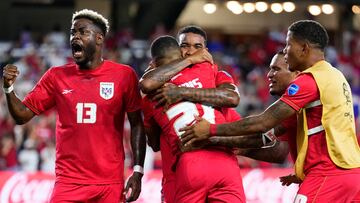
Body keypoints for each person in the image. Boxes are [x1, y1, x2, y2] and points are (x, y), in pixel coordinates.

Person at [180, 20, 360, 202]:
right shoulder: (335, 76)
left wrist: (210, 130)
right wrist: (217, 142)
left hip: (328, 175)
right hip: (351, 173)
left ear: (304, 49)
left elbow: (263, 122)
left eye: (289, 45)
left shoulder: (309, 81)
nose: (286, 50)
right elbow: (269, 136)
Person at [2, 9, 146, 203]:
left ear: (99, 38)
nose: (75, 36)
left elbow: (137, 124)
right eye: (72, 32)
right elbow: (21, 116)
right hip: (68, 183)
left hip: (109, 183)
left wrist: (138, 171)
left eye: (82, 32)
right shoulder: (56, 76)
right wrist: (9, 88)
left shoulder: (124, 75)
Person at [141, 35, 245, 203]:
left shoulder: (148, 98)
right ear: (181, 54)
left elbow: (153, 144)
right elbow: (231, 98)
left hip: (189, 162)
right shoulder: (205, 69)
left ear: (153, 64)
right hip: (224, 157)